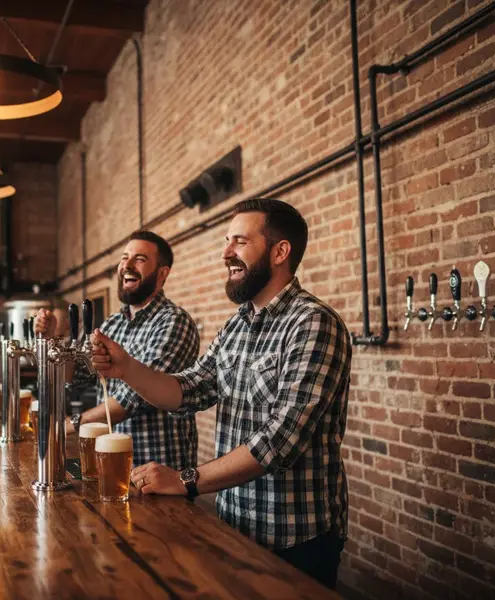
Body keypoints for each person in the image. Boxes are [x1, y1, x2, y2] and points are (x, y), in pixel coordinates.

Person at [91, 198, 351, 590]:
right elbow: (188, 389)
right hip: (233, 524)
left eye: (240, 242)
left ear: (281, 252)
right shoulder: (237, 325)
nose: (226, 252)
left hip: (294, 536)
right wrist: (125, 367)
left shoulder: (313, 324)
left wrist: (185, 480)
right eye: (227, 241)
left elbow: (281, 440)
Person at [35, 231, 200, 470]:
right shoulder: (113, 324)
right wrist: (54, 339)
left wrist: (71, 424)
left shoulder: (174, 322)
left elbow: (133, 399)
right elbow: (76, 376)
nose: (128, 265)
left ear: (162, 273)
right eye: (124, 258)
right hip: (111, 461)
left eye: (140, 259)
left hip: (158, 472)